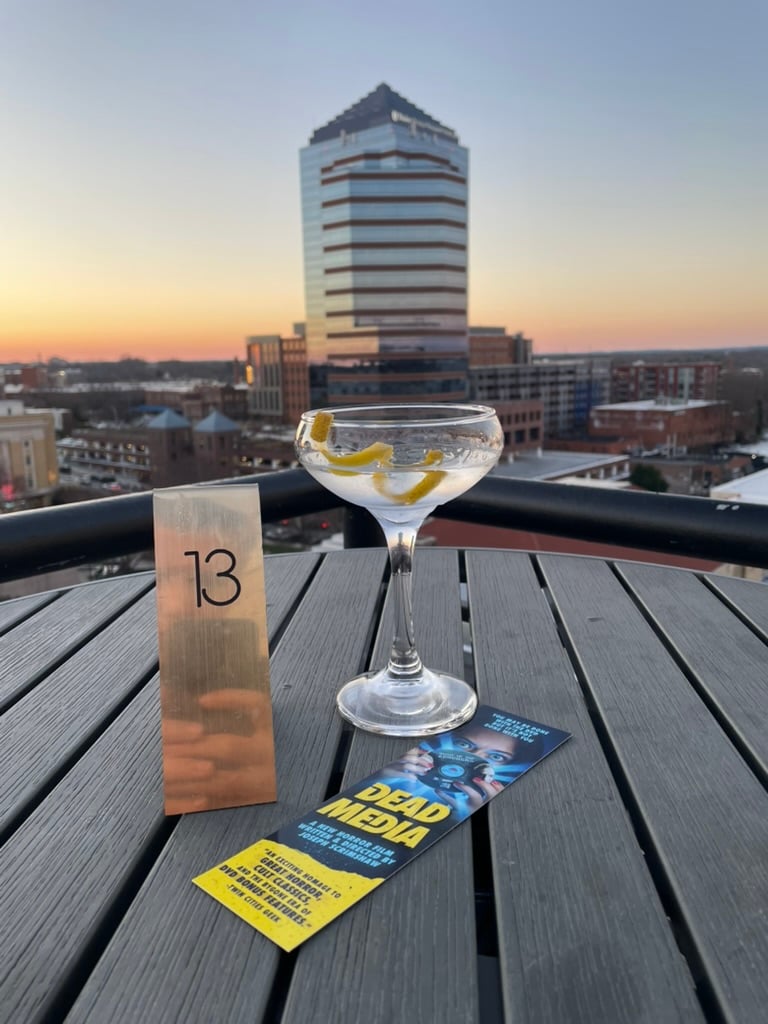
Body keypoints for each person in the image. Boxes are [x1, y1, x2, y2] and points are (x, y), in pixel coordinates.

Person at [382, 720, 543, 820]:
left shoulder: (507, 802)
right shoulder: (408, 768)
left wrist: (470, 818)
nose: (471, 758)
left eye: (496, 757)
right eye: (464, 745)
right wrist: (382, 777)